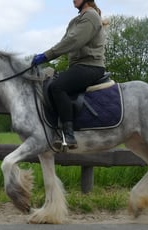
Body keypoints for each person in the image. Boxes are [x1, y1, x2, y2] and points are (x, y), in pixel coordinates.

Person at [32, 0, 106, 149]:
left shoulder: (91, 16)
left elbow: (74, 41)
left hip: (90, 66)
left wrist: (45, 56)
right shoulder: (75, 20)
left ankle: (69, 135)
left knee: (57, 87)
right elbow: (64, 43)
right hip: (77, 67)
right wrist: (46, 56)